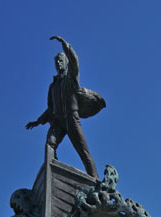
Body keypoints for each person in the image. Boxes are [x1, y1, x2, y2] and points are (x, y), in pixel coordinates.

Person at [26, 36, 105, 179]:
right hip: (58, 121)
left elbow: (75, 62)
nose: (58, 63)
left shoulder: (71, 79)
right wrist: (37, 121)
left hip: (72, 118)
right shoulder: (53, 86)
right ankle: (53, 172)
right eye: (56, 61)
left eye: (61, 60)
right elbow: (50, 109)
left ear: (66, 62)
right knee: (50, 143)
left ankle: (95, 179)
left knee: (83, 151)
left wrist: (66, 46)